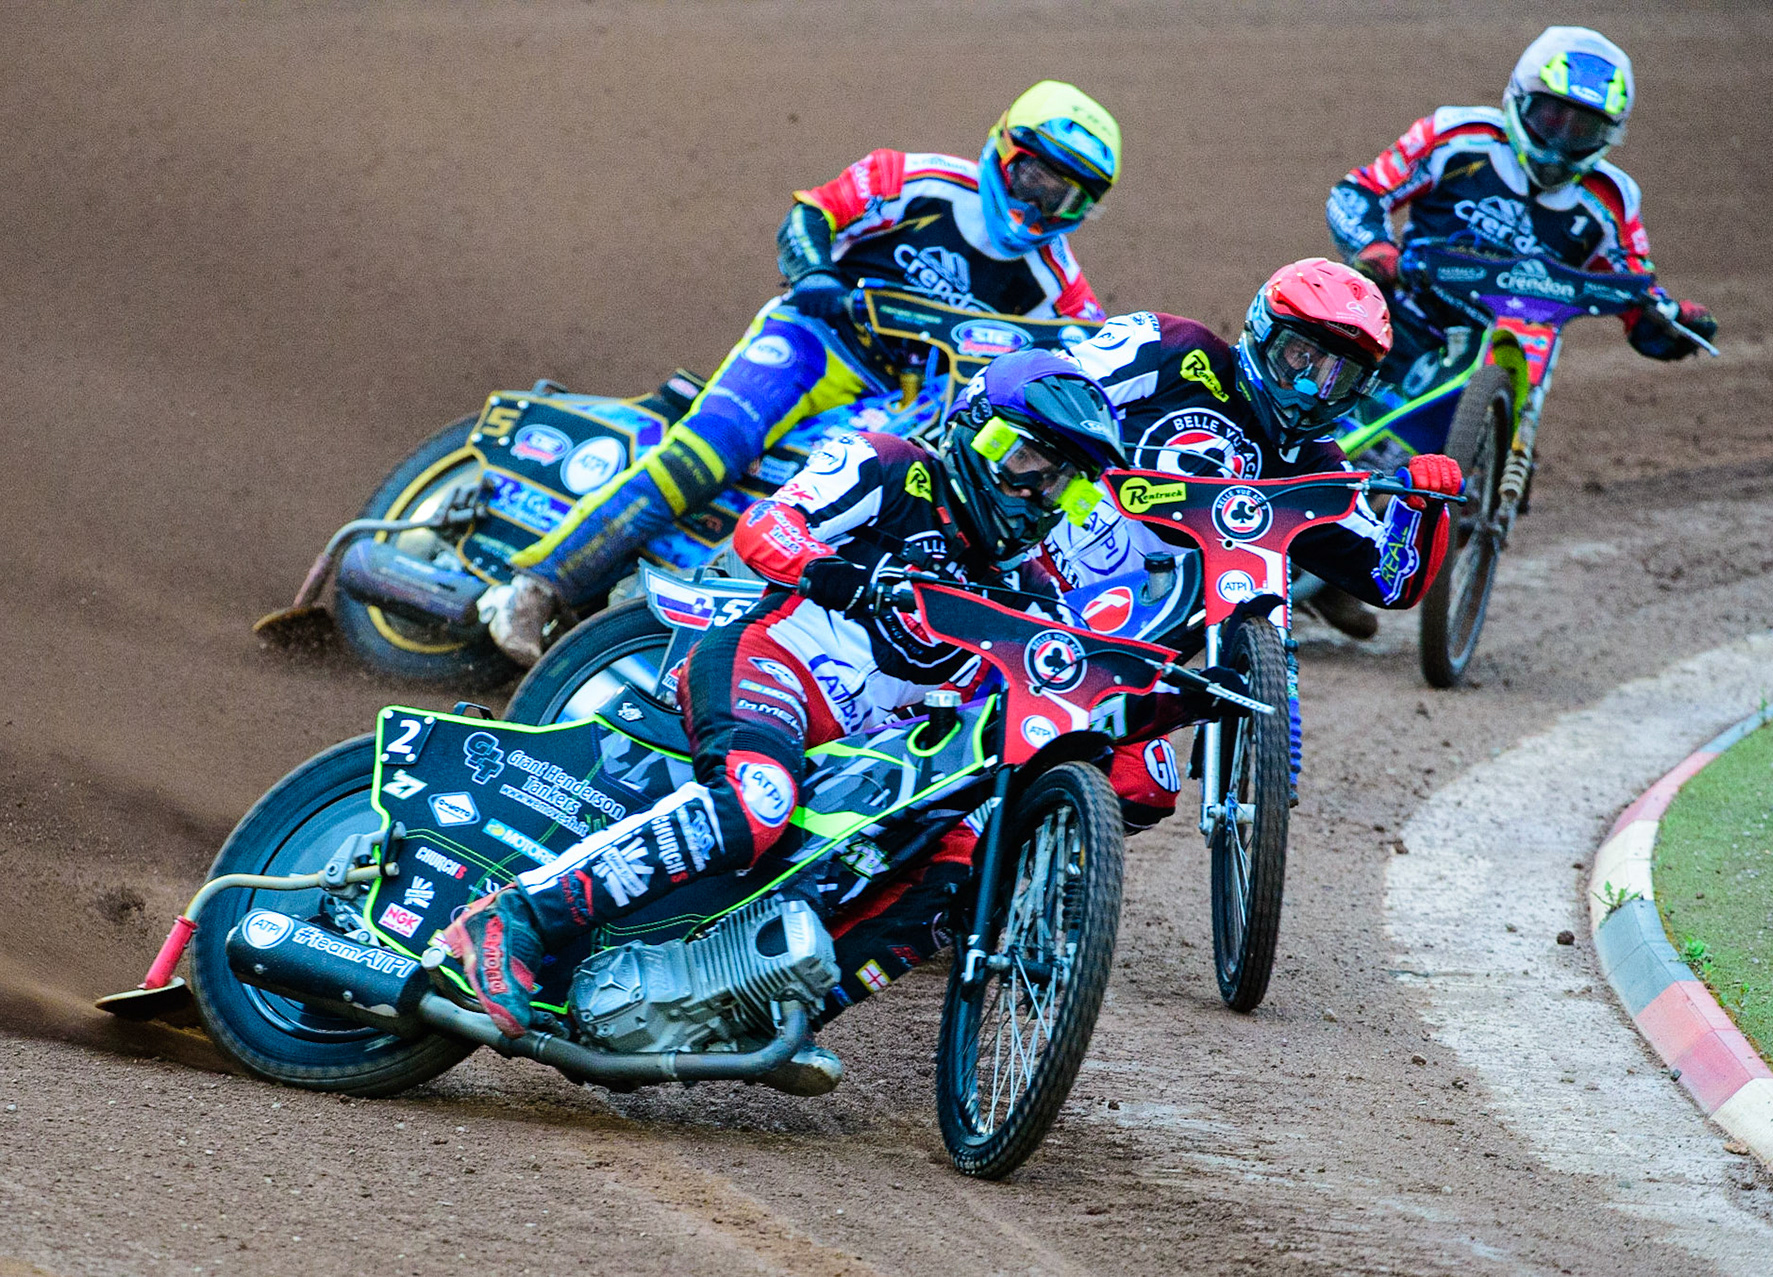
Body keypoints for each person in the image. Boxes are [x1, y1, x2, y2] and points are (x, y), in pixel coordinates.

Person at [439, 350, 1237, 1090]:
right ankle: (511, 917)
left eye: (1067, 483)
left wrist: (1168, 702)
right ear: (975, 432)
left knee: (951, 860)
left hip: (859, 751)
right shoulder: (890, 466)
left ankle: (765, 1011)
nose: (1038, 492)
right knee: (756, 802)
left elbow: (1065, 678)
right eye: (1028, 459)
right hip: (768, 661)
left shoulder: (1030, 585)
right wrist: (840, 575)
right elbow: (767, 528)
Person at [481, 82, 1123, 665]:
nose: (1038, 203)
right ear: (1002, 148)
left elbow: (1088, 363)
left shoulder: (1063, 290)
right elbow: (813, 212)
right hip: (816, 339)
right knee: (712, 448)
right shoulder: (914, 179)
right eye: (1033, 175)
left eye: (1062, 194)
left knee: (868, 505)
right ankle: (536, 586)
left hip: (911, 397)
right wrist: (814, 273)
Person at [1317, 25, 1715, 637]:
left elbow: (1640, 296)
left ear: (1607, 135)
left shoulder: (1611, 199)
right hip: (1410, 318)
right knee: (1321, 423)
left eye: (1580, 128)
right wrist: (1373, 248)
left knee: (1450, 479)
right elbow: (1360, 190)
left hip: (1513, 351)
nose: (1559, 142)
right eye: (1551, 117)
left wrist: (1674, 325)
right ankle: (1316, 557)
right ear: (1518, 99)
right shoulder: (1458, 136)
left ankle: (1366, 556)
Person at [1040, 258, 1463, 824]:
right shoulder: (1169, 347)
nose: (1313, 387)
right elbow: (1046, 383)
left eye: (1341, 377)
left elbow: (1391, 580)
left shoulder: (1321, 472)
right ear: (1264, 333)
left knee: (1143, 787)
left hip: (1126, 655)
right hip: (1031, 571)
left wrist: (1420, 505)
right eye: (1301, 358)